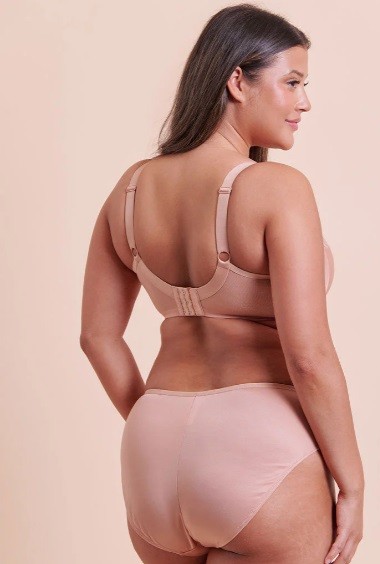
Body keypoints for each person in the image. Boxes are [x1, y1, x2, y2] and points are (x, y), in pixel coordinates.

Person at [80, 4, 364, 563]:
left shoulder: (129, 190)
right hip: (258, 445)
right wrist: (351, 483)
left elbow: (97, 337)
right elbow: (308, 356)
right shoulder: (277, 188)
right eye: (292, 82)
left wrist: (158, 426)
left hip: (153, 443)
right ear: (238, 81)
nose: (304, 102)